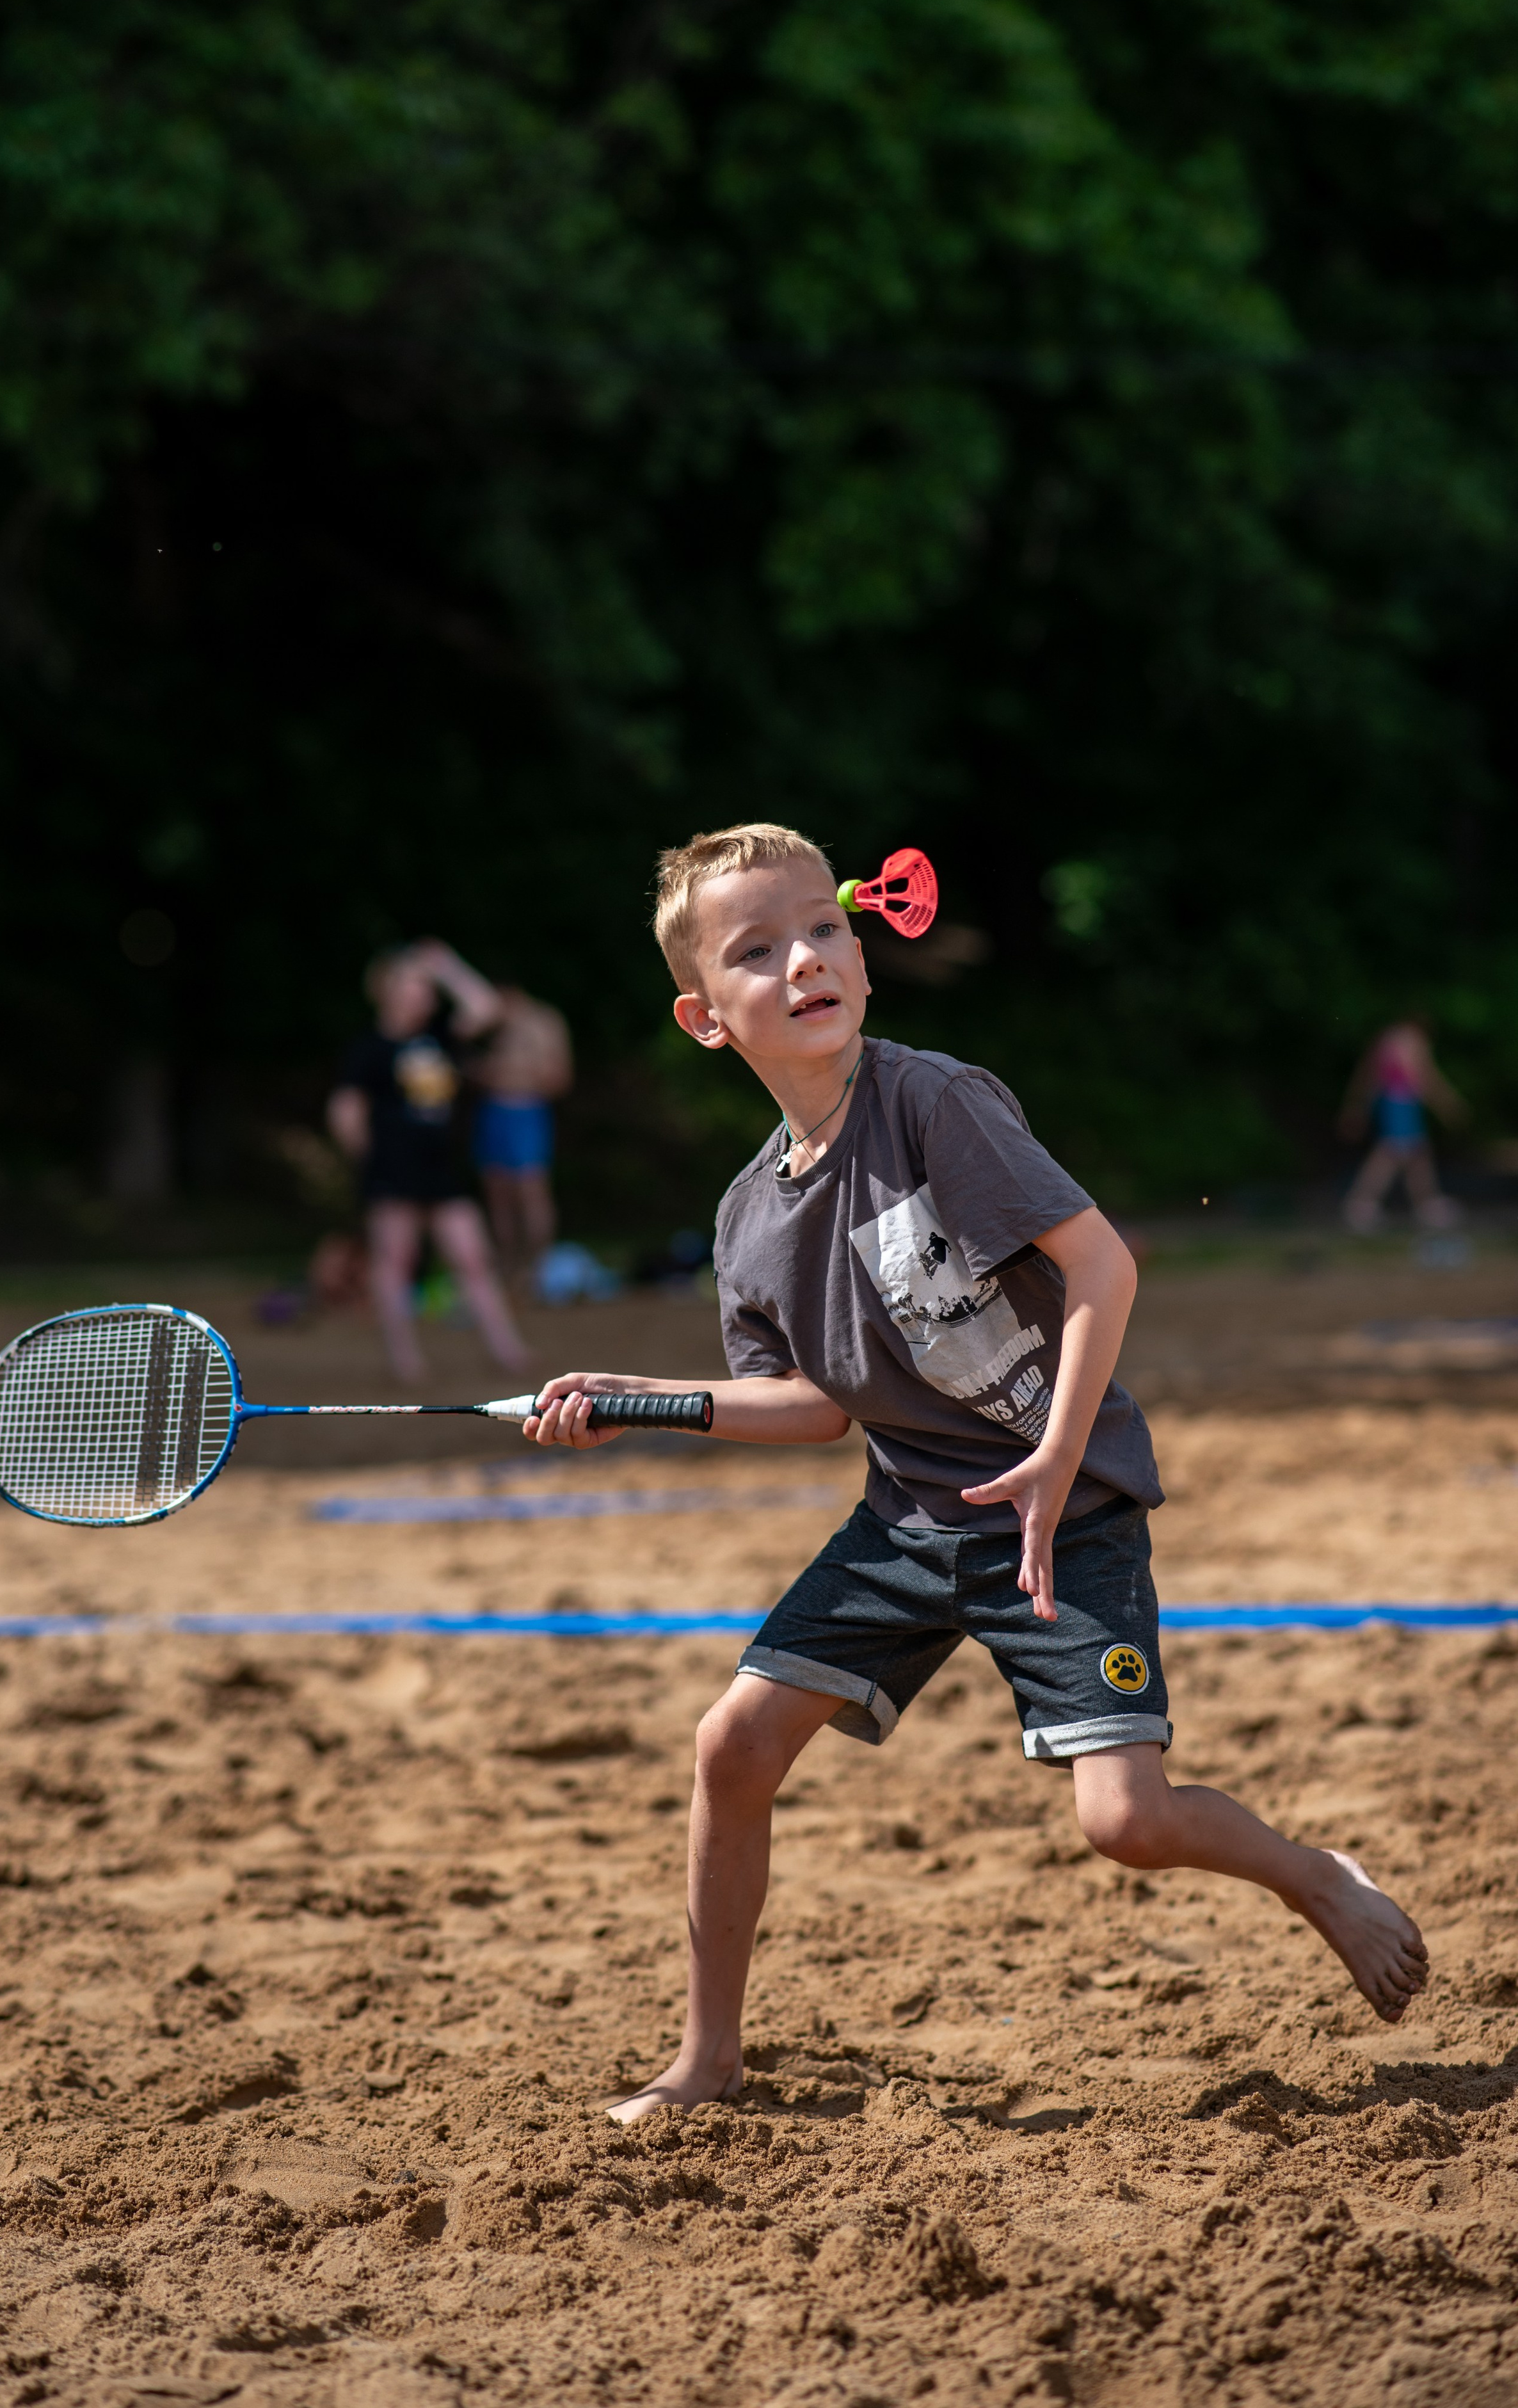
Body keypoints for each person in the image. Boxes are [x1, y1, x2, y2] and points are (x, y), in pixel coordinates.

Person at [520, 822, 1428, 2124]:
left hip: (1065, 1511)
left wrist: (1056, 1459)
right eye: (757, 951)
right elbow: (815, 1410)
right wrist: (646, 1404)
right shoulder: (746, 1220)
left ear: (861, 953)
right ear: (704, 1018)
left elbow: (1102, 1266)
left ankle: (1315, 1878)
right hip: (909, 1520)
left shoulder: (930, 1103)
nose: (803, 962)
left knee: (1124, 1825)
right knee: (731, 1744)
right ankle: (708, 2059)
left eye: (822, 931)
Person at [326, 942, 529, 1380]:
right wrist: (371, 1161)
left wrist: (446, 966)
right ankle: (405, 1361)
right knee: (395, 1262)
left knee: (473, 1257)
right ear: (389, 991)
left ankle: (508, 1351)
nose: (426, 995)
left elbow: (487, 1008)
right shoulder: (370, 1048)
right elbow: (345, 1112)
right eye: (416, 985)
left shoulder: (440, 1036)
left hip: (441, 1170)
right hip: (393, 1173)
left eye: (427, 987)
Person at [468, 987, 573, 1279]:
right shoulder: (486, 1022)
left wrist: (511, 1071)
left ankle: (538, 1268)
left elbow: (559, 1078)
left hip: (528, 1112)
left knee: (531, 1190)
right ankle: (506, 1267)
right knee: (497, 1193)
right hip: (493, 1111)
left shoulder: (544, 1021)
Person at [1340, 1017, 1464, 1233]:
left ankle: (1426, 1203)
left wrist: (1358, 1106)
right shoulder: (1413, 1040)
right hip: (1402, 1102)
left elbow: (1368, 1075)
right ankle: (1361, 1204)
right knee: (1391, 1152)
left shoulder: (1388, 1039)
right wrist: (1447, 1103)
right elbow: (1424, 1076)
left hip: (1389, 1101)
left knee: (1416, 1153)